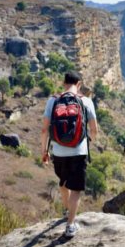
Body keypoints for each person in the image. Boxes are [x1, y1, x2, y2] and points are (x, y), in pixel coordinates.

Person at [41, 71, 98, 237]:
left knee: (63, 182)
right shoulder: (85, 101)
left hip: (58, 151)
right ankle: (70, 225)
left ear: (63, 83)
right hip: (79, 151)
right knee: (76, 190)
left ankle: (67, 212)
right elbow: (94, 129)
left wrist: (44, 151)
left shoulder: (53, 100)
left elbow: (44, 129)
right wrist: (90, 140)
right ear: (78, 84)